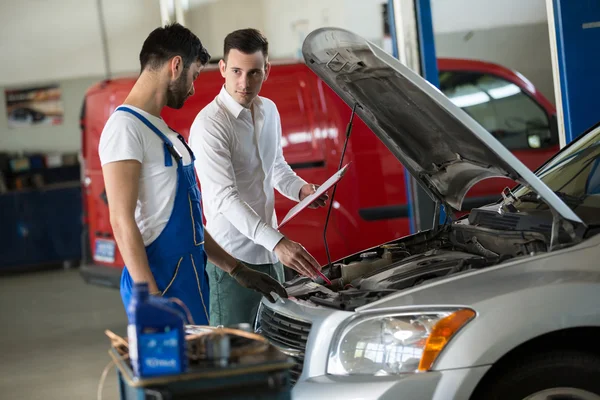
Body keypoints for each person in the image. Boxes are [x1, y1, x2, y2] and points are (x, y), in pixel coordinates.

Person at [99, 23, 287, 326]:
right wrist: (151, 296)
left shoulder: (160, 129)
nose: (194, 87)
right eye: (195, 75)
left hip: (188, 275)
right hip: (159, 281)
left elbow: (191, 225)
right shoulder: (125, 128)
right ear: (176, 66)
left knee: (206, 368)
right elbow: (121, 222)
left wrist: (237, 269)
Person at [188, 28, 328, 327]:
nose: (244, 82)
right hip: (233, 260)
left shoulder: (269, 111)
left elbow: (275, 166)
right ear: (222, 68)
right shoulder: (209, 125)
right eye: (236, 71)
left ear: (266, 70)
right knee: (236, 355)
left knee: (275, 343)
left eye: (254, 73)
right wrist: (278, 242)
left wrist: (301, 190)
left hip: (270, 255)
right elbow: (224, 197)